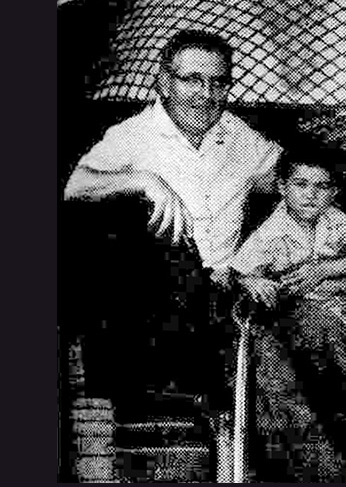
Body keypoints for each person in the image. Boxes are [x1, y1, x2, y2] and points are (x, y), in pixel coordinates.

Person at [61, 29, 282, 413]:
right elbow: (75, 187)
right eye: (192, 79)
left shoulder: (239, 135)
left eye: (218, 82)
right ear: (164, 81)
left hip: (230, 289)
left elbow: (292, 178)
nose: (205, 94)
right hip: (163, 296)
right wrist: (143, 179)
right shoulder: (133, 135)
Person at [228, 146, 346, 482]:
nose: (311, 195)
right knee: (297, 363)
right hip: (288, 316)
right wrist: (251, 279)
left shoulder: (334, 219)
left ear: (333, 192)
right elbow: (238, 273)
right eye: (301, 184)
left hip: (331, 316)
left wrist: (325, 269)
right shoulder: (270, 229)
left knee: (343, 368)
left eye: (322, 187)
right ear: (282, 187)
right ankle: (340, 469)